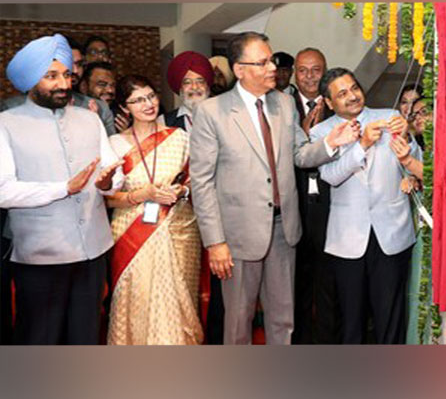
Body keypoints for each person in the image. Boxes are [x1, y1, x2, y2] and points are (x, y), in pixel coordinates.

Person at [189, 31, 360, 345]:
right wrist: (215, 242)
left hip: (284, 230)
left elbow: (299, 154)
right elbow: (201, 183)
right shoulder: (212, 113)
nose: (273, 68)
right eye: (263, 62)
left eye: (271, 60)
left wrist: (330, 144)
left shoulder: (282, 103)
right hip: (238, 236)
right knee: (238, 321)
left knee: (284, 319)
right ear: (240, 69)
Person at [0, 33, 123, 345]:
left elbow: (112, 172)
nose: (63, 84)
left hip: (94, 251)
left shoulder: (89, 119)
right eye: (51, 76)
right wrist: (62, 189)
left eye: (66, 75)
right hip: (41, 255)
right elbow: (3, 191)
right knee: (40, 336)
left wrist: (110, 183)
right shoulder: (6, 124)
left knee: (85, 335)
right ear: (29, 81)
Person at [310, 67, 420, 344]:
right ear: (329, 101)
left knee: (390, 317)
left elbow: (415, 165)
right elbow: (331, 177)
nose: (352, 96)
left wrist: (408, 140)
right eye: (342, 93)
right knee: (351, 319)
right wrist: (362, 144)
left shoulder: (389, 117)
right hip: (348, 239)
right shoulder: (321, 133)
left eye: (355, 88)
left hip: (392, 232)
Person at [105, 74, 203, 345]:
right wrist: (142, 195)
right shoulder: (115, 144)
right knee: (137, 300)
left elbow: (197, 181)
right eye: (137, 100)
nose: (147, 104)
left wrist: (181, 191)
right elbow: (106, 198)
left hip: (179, 229)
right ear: (125, 108)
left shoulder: (180, 137)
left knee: (180, 302)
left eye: (150, 96)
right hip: (131, 234)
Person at [160, 50, 224, 344]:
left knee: (221, 283)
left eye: (200, 80)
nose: (195, 87)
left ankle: (215, 339)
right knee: (182, 279)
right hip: (180, 216)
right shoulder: (165, 122)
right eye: (187, 82)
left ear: (209, 84)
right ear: (178, 87)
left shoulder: (226, 117)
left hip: (223, 213)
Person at [290, 47, 341, 344]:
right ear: (295, 74)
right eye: (303, 70)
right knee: (296, 282)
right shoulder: (281, 106)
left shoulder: (339, 103)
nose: (309, 76)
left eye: (316, 70)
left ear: (324, 71)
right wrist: (303, 132)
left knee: (328, 282)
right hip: (295, 204)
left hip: (330, 204)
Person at [0, 47, 117, 137]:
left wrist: (93, 124)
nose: (75, 71)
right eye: (69, 63)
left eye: (79, 64)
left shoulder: (99, 108)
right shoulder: (11, 108)